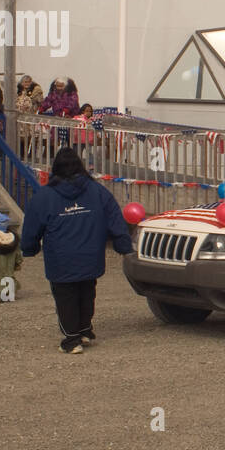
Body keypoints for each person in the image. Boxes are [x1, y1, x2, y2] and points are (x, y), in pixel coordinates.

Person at [21, 147, 133, 354]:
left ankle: (72, 338)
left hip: (61, 258)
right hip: (91, 255)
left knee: (66, 296)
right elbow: (115, 219)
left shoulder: (44, 196)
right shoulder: (98, 191)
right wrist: (124, 246)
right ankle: (84, 330)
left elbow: (32, 225)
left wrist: (29, 248)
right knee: (87, 292)